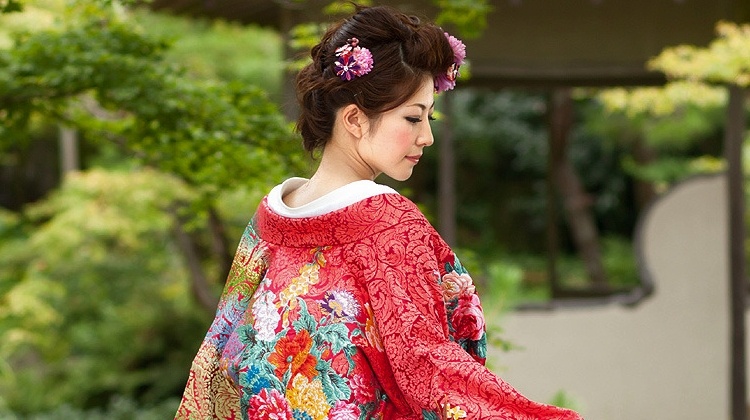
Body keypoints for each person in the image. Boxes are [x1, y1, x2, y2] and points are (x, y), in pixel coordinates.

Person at [174, 5, 583, 420]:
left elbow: (218, 352)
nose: (426, 137)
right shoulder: (386, 222)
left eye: (430, 117)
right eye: (412, 117)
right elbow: (429, 369)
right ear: (353, 118)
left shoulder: (274, 215)